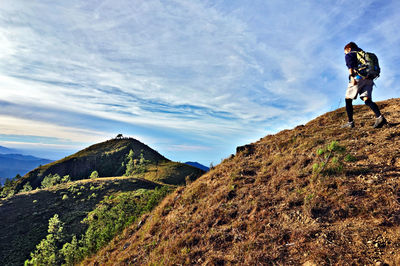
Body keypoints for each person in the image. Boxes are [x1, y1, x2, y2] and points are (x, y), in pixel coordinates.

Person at [341, 42, 387, 128]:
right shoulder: (364, 54)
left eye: (345, 51)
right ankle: (380, 117)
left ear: (348, 49)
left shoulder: (350, 54)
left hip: (358, 78)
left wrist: (352, 77)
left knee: (348, 99)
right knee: (367, 100)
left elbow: (350, 66)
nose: (345, 53)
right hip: (369, 79)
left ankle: (350, 122)